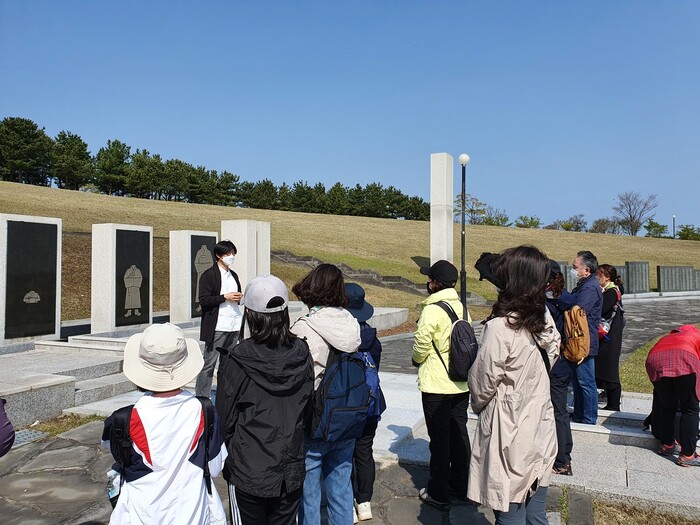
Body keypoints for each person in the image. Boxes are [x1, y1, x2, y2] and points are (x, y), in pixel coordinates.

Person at [467, 246, 560, 524]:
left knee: (508, 511)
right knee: (535, 510)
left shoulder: (501, 327)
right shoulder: (544, 318)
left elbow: (483, 381)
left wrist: (480, 404)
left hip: (508, 428)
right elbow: (552, 355)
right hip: (541, 423)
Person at [102, 323, 228, 525]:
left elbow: (121, 459)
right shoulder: (205, 412)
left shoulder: (123, 419)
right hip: (194, 515)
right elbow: (214, 468)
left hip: (140, 516)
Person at [216, 275, 314, 524]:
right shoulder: (302, 351)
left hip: (250, 468)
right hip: (289, 467)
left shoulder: (237, 359)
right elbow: (307, 404)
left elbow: (224, 419)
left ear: (250, 314)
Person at [290, 264, 361, 525]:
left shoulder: (305, 327)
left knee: (308, 493)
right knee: (341, 486)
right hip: (347, 416)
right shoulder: (351, 323)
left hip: (316, 419)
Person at [412, 259, 471, 510]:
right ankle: (462, 486)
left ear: (435, 283)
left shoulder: (432, 309)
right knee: (459, 436)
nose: (427, 282)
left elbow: (421, 344)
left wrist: (416, 359)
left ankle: (438, 492)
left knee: (439, 439)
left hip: (437, 384)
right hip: (460, 383)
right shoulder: (462, 307)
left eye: (429, 279)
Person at [345, 283, 382, 522]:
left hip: (346, 404)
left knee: (343, 454)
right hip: (370, 404)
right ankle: (365, 502)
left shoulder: (341, 338)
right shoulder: (372, 339)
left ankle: (346, 502)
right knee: (364, 452)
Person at [645, 324, 700, 467]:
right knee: (690, 408)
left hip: (654, 360)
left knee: (667, 404)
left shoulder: (668, 337)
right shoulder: (696, 337)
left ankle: (667, 445)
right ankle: (688, 454)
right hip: (685, 358)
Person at [196, 240, 243, 398]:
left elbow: (237, 297)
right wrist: (224, 297)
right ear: (218, 255)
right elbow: (204, 300)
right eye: (228, 254)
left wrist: (238, 298)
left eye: (233, 253)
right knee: (209, 364)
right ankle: (203, 397)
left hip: (234, 324)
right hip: (218, 325)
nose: (231, 256)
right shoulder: (209, 275)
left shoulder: (233, 275)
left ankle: (225, 396)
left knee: (228, 363)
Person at [545, 260, 576, 476]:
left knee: (556, 411)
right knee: (561, 411)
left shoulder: (547, 302)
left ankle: (561, 460)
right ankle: (565, 453)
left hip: (554, 363)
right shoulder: (564, 297)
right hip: (565, 362)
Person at [568, 250, 603, 424]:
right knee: (577, 381)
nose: (573, 270)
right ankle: (580, 414)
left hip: (584, 341)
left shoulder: (590, 288)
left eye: (575, 267)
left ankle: (589, 418)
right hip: (579, 340)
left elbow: (578, 312)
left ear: (586, 270)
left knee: (586, 381)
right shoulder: (585, 285)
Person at [595, 264, 625, 411]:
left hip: (610, 336)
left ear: (606, 276)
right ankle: (609, 400)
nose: (596, 277)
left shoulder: (612, 292)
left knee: (610, 370)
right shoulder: (609, 290)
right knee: (605, 367)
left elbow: (601, 309)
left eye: (598, 274)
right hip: (608, 335)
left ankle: (614, 405)